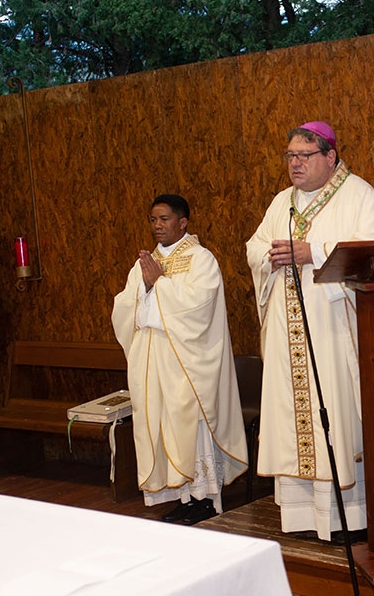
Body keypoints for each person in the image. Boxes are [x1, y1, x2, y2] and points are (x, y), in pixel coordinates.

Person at [245, 121, 374, 542]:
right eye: (290, 155)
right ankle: (302, 517)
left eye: (304, 156)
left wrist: (316, 252)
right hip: (287, 331)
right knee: (293, 418)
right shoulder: (281, 203)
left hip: (332, 330)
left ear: (330, 157)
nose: (294, 163)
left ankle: (348, 517)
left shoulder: (359, 196)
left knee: (338, 412)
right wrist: (268, 257)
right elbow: (255, 245)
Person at [112, 193, 248, 525]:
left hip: (187, 363)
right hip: (152, 360)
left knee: (190, 428)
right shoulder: (144, 262)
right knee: (161, 427)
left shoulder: (201, 260)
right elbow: (126, 306)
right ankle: (181, 497)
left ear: (182, 222)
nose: (157, 226)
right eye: (153, 220)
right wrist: (145, 288)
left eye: (164, 219)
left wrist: (159, 284)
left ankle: (203, 499)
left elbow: (199, 307)